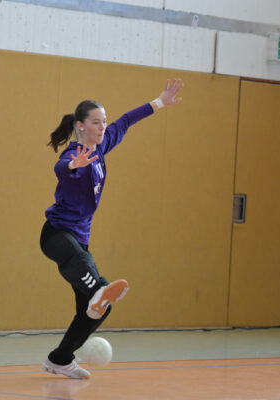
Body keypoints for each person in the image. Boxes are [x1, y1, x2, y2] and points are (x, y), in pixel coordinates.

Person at [40, 78, 184, 379]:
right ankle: (99, 291)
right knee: (92, 280)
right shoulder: (74, 154)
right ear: (80, 126)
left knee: (97, 309)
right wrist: (73, 166)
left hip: (79, 241)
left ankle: (60, 359)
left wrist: (159, 102)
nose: (103, 127)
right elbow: (60, 167)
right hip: (56, 236)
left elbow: (126, 121)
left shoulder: (102, 145)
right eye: (96, 122)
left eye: (104, 121)